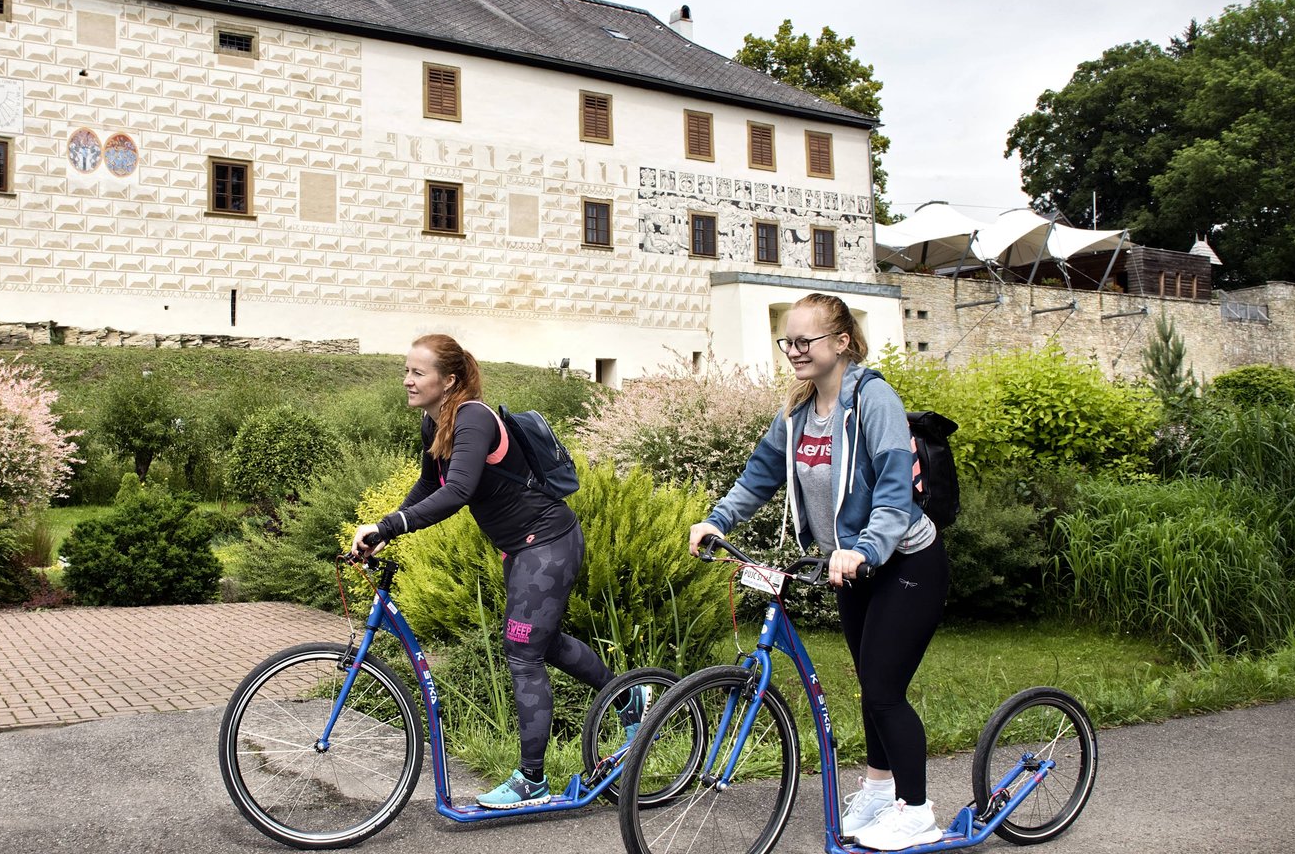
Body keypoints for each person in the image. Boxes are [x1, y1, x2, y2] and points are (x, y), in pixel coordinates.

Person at [687, 293, 947, 851]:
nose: (794, 351)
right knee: (872, 684)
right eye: (788, 341)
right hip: (852, 569)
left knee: (884, 690)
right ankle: (879, 791)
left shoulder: (874, 400)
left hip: (906, 561)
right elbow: (759, 476)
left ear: (842, 342)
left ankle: (917, 811)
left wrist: (864, 549)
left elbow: (895, 492)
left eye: (805, 340)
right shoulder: (799, 411)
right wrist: (717, 519)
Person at [353, 333, 636, 809]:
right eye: (407, 370)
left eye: (418, 372)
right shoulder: (435, 423)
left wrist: (391, 524)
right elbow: (430, 483)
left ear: (449, 380)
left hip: (548, 542)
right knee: (544, 643)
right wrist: (387, 529)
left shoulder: (474, 418)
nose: (407, 380)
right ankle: (628, 698)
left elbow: (458, 490)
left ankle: (532, 780)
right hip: (521, 549)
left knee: (522, 652)